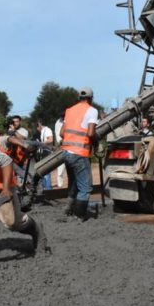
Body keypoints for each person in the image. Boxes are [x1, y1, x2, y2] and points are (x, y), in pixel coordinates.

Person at [60, 87, 99, 220]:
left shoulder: (69, 110)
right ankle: (79, 215)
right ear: (91, 99)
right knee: (85, 187)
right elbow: (91, 133)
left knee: (74, 183)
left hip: (66, 153)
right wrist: (96, 140)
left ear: (79, 98)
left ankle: (68, 208)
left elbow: (61, 133)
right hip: (79, 153)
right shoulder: (92, 110)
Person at [36, 120, 54, 190]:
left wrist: (42, 143)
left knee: (46, 173)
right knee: (43, 172)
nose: (37, 129)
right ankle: (45, 189)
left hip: (47, 153)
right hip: (44, 153)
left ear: (39, 125)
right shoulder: (43, 131)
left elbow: (50, 139)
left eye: (37, 127)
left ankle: (48, 189)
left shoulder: (47, 130)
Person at [54, 115, 65, 188]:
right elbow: (57, 134)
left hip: (71, 145)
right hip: (61, 145)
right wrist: (60, 141)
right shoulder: (58, 122)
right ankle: (60, 185)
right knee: (60, 168)